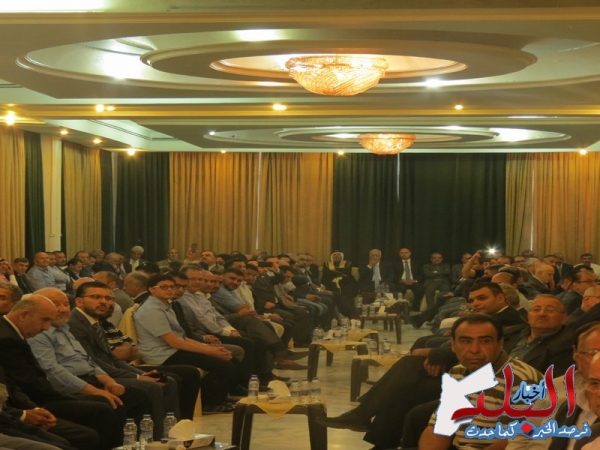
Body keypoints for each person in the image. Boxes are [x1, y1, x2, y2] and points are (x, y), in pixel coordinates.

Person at [0, 295, 123, 450]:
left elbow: (13, 384)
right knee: (93, 422)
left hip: (28, 400)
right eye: (45, 320)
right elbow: (29, 382)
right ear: (24, 315)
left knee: (105, 405)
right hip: (28, 403)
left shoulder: (13, 332)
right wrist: (31, 411)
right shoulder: (6, 338)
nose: (46, 328)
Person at [418, 314, 544, 450]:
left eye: (485, 341)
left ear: (500, 344)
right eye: (465, 341)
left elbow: (517, 440)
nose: (474, 350)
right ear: (453, 345)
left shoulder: (523, 381)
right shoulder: (458, 371)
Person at [134, 274, 237, 414]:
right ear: (151, 289)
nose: (170, 290)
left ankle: (218, 399)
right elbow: (173, 341)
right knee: (223, 366)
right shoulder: (152, 310)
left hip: (172, 349)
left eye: (172, 287)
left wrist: (208, 347)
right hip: (161, 354)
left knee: (228, 359)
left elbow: (181, 337)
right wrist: (210, 351)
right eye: (164, 287)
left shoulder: (165, 305)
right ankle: (208, 403)